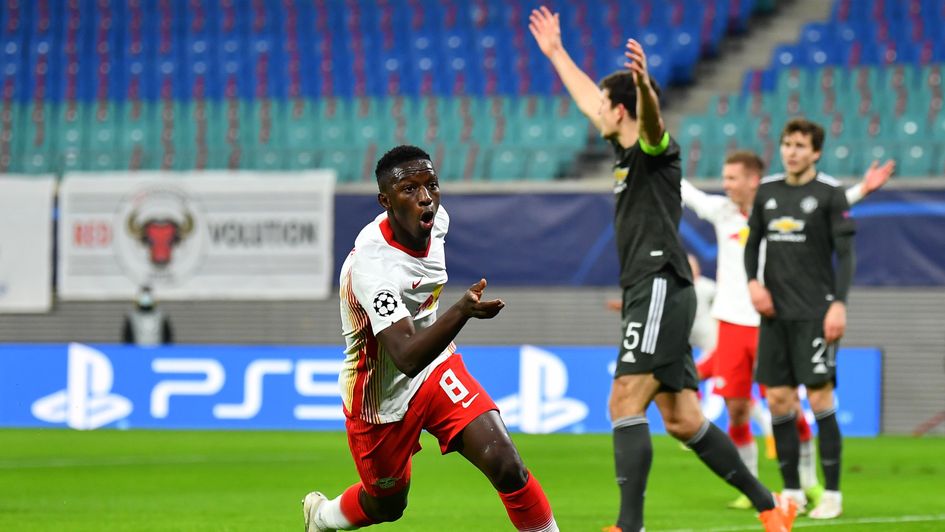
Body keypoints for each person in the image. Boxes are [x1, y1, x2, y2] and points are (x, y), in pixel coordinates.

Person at [529, 6, 795, 531]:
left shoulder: (656, 153)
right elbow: (590, 100)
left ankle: (629, 527)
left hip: (658, 283)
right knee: (682, 419)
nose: (597, 112)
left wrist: (646, 88)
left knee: (624, 398)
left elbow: (650, 126)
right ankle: (772, 507)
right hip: (651, 289)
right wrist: (557, 53)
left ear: (623, 111)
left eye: (607, 106)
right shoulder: (623, 152)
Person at [302, 145, 558, 532]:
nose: (426, 198)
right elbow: (404, 355)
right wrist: (461, 312)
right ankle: (321, 518)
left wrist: (452, 316)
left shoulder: (437, 223)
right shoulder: (372, 267)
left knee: (507, 464)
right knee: (387, 504)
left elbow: (420, 350)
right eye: (409, 189)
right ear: (385, 201)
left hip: (435, 369)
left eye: (432, 186)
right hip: (380, 394)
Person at [683, 151, 893, 511]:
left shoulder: (779, 205)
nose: (725, 184)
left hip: (772, 320)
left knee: (788, 405)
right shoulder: (721, 212)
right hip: (731, 324)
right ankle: (750, 485)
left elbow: (826, 206)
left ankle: (808, 481)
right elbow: (685, 191)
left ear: (754, 180)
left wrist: (862, 190)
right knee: (736, 408)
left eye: (732, 178)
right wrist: (646, 150)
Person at [744, 118, 870, 520]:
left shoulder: (831, 195)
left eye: (800, 145)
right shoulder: (766, 192)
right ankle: (792, 490)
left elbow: (846, 256)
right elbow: (753, 245)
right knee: (779, 400)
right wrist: (752, 283)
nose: (791, 151)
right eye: (786, 144)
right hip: (774, 315)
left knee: (819, 399)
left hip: (815, 313)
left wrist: (839, 304)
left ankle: (832, 493)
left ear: (816, 152)